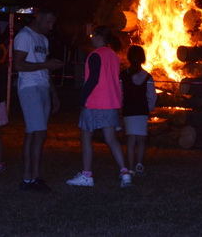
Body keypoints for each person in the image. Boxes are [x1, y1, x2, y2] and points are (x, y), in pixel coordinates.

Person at [67, 25, 131, 188]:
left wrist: (82, 99)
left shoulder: (95, 55)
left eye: (92, 37)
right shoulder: (114, 56)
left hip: (95, 102)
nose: (91, 39)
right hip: (111, 103)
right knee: (111, 139)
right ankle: (124, 173)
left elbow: (93, 79)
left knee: (86, 137)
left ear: (98, 37)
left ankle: (87, 175)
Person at [13, 8, 64, 192]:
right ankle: (31, 177)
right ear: (39, 17)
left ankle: (29, 178)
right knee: (38, 132)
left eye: (53, 23)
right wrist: (46, 64)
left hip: (41, 86)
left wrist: (53, 92)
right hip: (29, 87)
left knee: (33, 133)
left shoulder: (43, 39)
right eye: (48, 22)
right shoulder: (24, 36)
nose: (51, 26)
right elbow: (18, 64)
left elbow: (45, 68)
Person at [120, 45, 157, 176]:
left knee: (130, 140)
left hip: (129, 111)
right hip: (142, 111)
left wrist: (120, 107)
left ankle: (130, 168)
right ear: (143, 58)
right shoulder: (148, 77)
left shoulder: (123, 75)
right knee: (141, 139)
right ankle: (139, 164)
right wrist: (149, 108)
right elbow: (152, 95)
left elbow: (120, 93)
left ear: (129, 57)